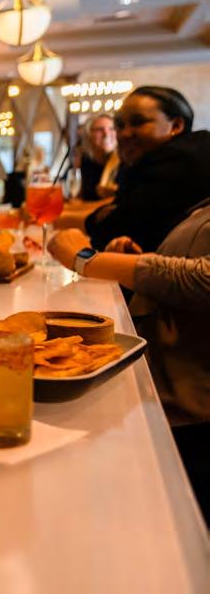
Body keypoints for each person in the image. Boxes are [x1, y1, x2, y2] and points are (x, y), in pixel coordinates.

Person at [49, 199, 210, 511]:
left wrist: (86, 259)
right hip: (155, 394)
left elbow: (202, 279)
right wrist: (134, 259)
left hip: (189, 426)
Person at [63, 86, 210, 252]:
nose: (124, 134)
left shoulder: (181, 159)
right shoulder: (149, 162)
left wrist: (100, 218)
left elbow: (115, 229)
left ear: (175, 125)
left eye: (138, 122)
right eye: (120, 125)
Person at [76, 113, 118, 201]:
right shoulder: (86, 159)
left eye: (112, 129)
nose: (106, 134)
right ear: (88, 135)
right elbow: (84, 194)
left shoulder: (125, 162)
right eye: (99, 130)